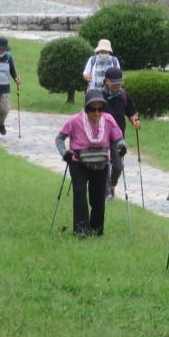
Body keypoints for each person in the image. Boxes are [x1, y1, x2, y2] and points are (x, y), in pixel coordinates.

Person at [55, 89, 126, 237]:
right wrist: (65, 153)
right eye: (93, 109)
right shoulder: (74, 120)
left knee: (98, 197)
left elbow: (118, 138)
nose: (97, 113)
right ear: (86, 108)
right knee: (80, 194)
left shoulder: (108, 120)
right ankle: (81, 230)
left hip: (101, 162)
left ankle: (96, 230)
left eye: (100, 109)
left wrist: (121, 146)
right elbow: (59, 139)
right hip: (78, 162)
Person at [101, 66, 140, 199]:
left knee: (118, 166)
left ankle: (111, 185)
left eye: (119, 82)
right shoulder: (99, 95)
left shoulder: (123, 95)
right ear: (106, 81)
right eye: (114, 83)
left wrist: (135, 120)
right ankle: (106, 193)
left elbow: (131, 112)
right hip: (101, 136)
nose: (117, 85)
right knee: (104, 164)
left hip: (118, 137)